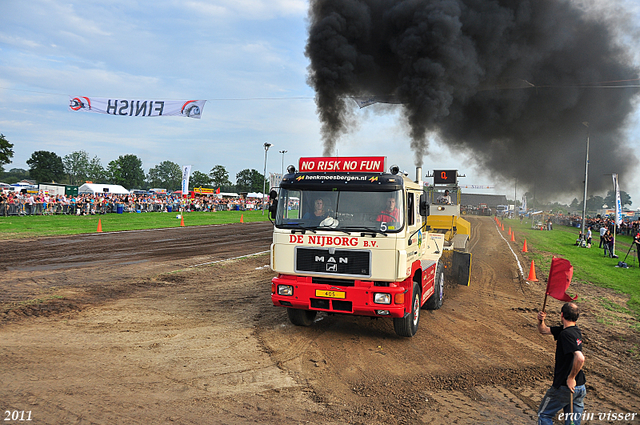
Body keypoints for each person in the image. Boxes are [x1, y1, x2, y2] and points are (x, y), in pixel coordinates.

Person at [536, 303, 586, 425]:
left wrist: (571, 378)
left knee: (544, 415)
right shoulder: (573, 331)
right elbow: (543, 330)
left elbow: (580, 358)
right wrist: (541, 321)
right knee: (572, 421)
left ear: (562, 315)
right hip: (580, 388)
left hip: (565, 386)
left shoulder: (566, 334)